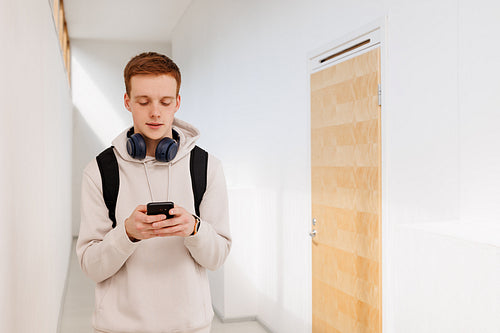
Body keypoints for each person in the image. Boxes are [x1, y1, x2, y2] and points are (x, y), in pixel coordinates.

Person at [76, 52, 231, 333]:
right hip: (119, 328)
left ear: (177, 103)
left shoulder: (206, 167)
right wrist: (127, 234)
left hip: (189, 327)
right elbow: (91, 267)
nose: (156, 112)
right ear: (127, 102)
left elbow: (217, 258)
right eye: (144, 102)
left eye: (165, 102)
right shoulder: (99, 171)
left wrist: (194, 229)